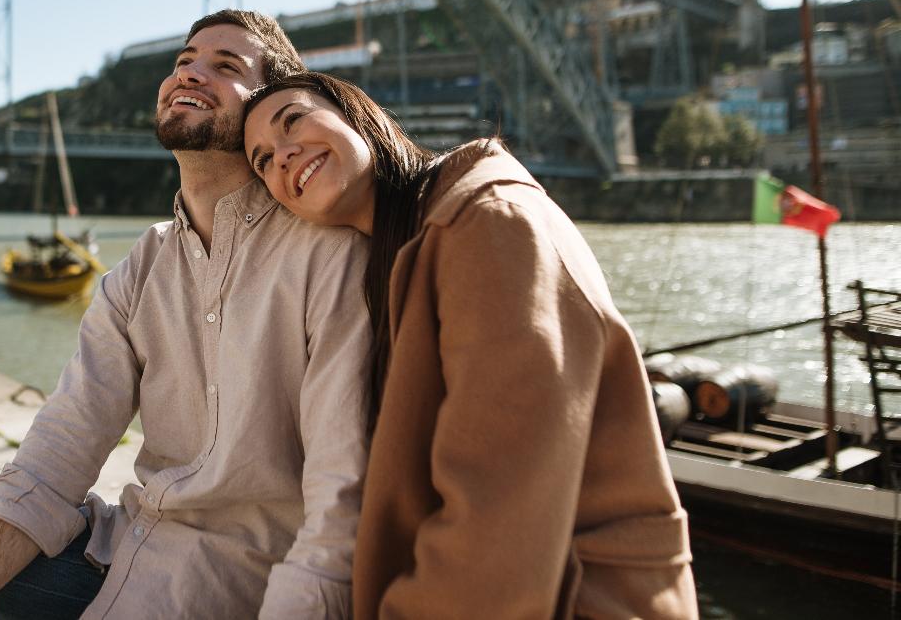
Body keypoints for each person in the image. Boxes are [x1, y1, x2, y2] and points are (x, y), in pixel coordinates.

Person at [0, 12, 372, 620]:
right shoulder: (141, 268)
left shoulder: (326, 253)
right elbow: (59, 452)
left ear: (267, 106)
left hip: (237, 588)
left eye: (225, 66)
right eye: (184, 61)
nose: (189, 72)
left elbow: (339, 495)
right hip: (125, 553)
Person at [243, 72, 698, 619]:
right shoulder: (401, 253)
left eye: (292, 120)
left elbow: (500, 523)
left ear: (357, 114)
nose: (282, 156)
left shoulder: (488, 223)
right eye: (262, 161)